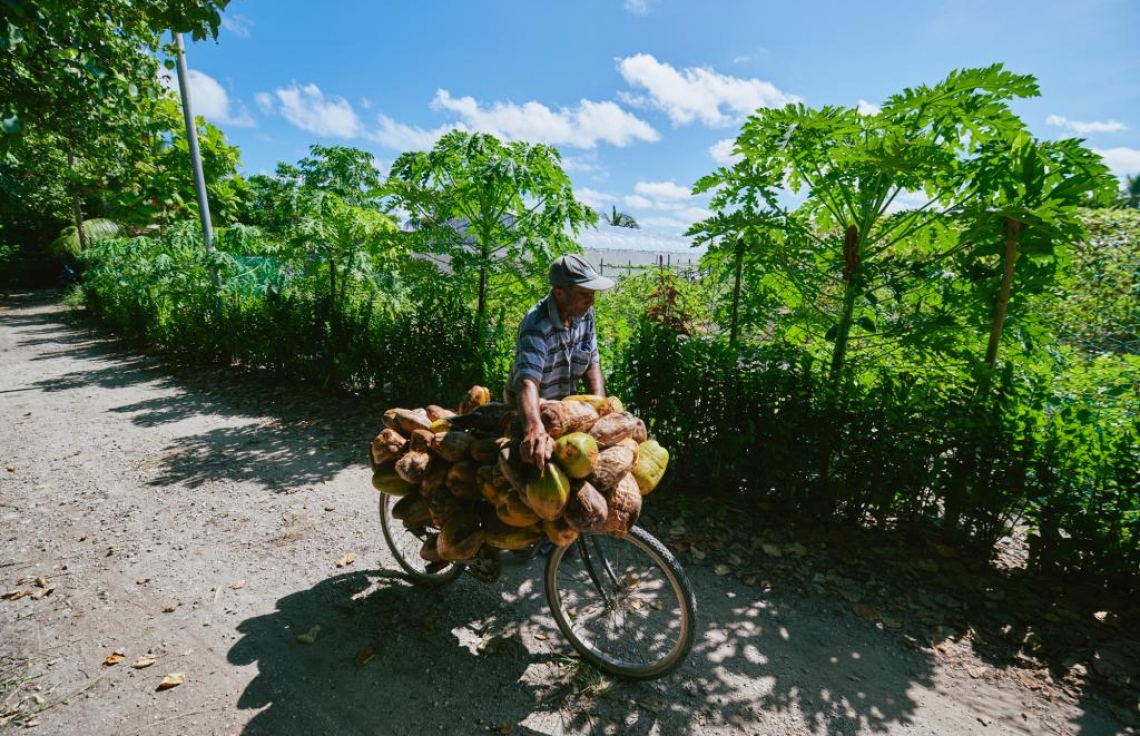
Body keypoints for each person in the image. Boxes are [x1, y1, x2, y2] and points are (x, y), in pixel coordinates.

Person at [505, 254, 614, 472]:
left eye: (593, 294)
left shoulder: (584, 314)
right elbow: (528, 381)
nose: (591, 301)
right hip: (531, 413)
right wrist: (533, 426)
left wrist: (601, 409)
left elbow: (592, 363)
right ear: (559, 293)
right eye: (584, 294)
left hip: (566, 413)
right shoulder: (536, 325)